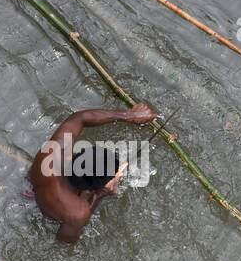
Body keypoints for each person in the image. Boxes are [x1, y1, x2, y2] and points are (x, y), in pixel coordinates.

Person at [27, 103, 157, 243]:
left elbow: (80, 117)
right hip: (38, 212)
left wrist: (129, 115)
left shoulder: (54, 151)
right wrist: (100, 195)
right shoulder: (78, 211)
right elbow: (64, 241)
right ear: (91, 188)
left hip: (31, 186)